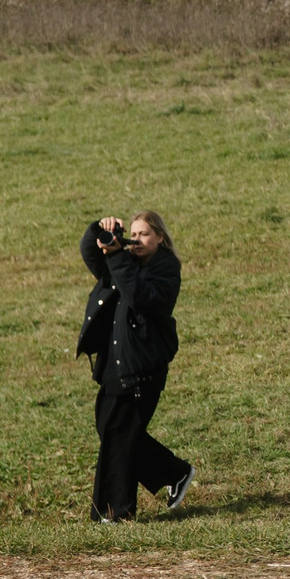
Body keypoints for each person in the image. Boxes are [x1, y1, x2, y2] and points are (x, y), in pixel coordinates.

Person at [77, 212, 192, 522]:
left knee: (118, 434)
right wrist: (99, 229)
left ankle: (114, 513)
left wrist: (117, 256)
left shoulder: (166, 269)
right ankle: (175, 472)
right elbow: (90, 252)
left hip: (143, 366)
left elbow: (140, 296)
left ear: (160, 239)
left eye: (144, 235)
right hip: (115, 361)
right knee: (111, 429)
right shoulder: (123, 262)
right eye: (134, 233)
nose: (136, 240)